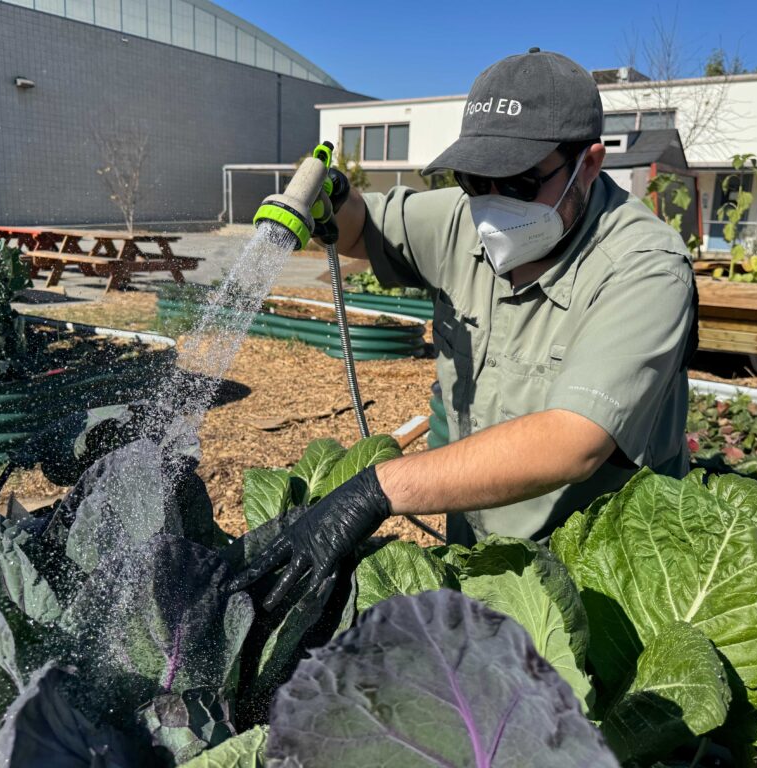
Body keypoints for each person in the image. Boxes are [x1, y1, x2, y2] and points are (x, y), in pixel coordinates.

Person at [237, 48, 697, 610]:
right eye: (473, 180)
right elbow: (365, 231)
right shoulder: (464, 216)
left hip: (599, 591)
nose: (490, 206)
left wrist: (379, 489)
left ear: (591, 163)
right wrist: (337, 197)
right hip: (476, 561)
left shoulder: (644, 265)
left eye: (520, 183)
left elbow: (573, 441)